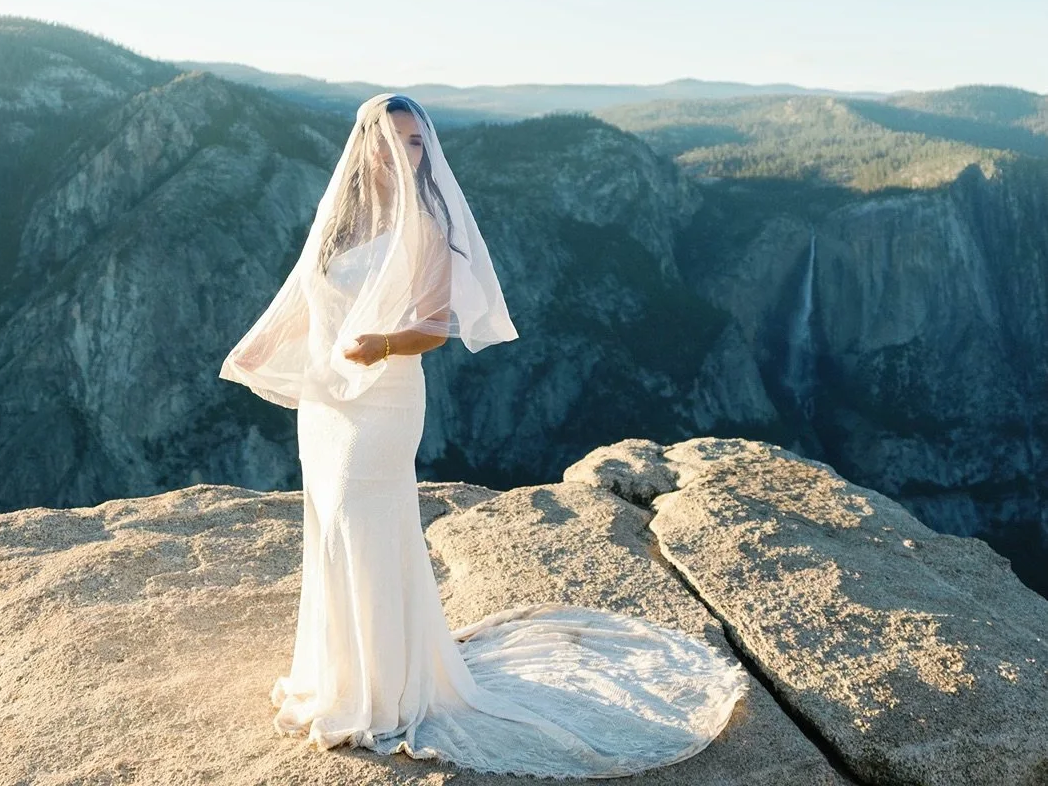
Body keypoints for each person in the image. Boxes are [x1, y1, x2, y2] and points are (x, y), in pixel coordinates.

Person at [219, 92, 748, 776]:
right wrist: (263, 349)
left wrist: (381, 345)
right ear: (364, 147)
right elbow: (314, 302)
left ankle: (386, 694)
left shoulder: (428, 226)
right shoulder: (340, 224)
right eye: (390, 140)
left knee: (364, 521)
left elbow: (436, 325)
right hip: (327, 403)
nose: (403, 153)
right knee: (329, 524)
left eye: (415, 142)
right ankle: (339, 676)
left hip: (383, 397)